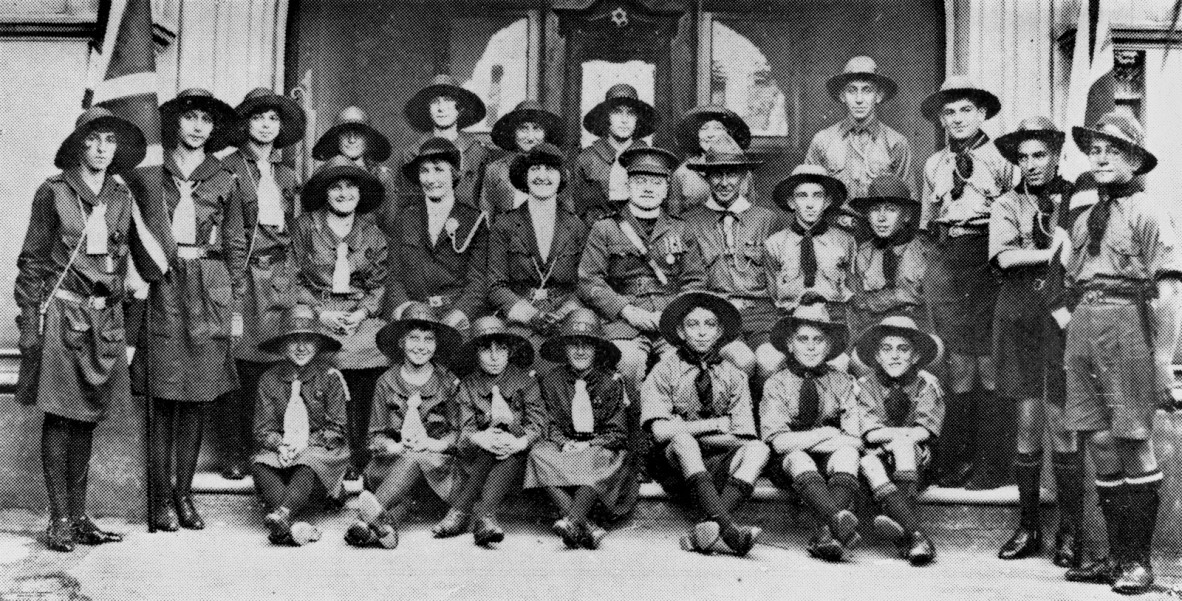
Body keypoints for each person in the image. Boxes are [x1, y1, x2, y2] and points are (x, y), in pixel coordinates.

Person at [15, 106, 149, 552]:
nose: (100, 148)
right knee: (60, 416)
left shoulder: (120, 195)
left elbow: (123, 256)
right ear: (78, 145)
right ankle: (58, 519)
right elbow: (32, 262)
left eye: (108, 141)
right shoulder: (52, 192)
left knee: (87, 418)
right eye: (92, 140)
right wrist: (30, 323)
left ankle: (78, 515)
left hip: (103, 320)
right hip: (62, 317)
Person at [1061, 113, 1181, 595]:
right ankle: (1113, 556)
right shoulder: (1087, 215)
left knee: (1132, 439)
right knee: (1100, 441)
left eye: (1113, 148)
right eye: (1095, 149)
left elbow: (1168, 291)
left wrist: (1161, 359)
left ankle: (1139, 561)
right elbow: (1068, 280)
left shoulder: (1149, 212)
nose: (1102, 156)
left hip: (1128, 324)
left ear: (1135, 158)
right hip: (1085, 325)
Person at [134, 88, 245, 531]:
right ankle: (160, 500)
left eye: (206, 119)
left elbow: (236, 243)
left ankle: (184, 495)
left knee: (196, 399)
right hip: (163, 283)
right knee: (163, 398)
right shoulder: (149, 174)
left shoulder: (225, 176)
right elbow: (132, 231)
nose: (198, 126)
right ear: (175, 123)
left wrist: (232, 300)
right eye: (189, 117)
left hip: (209, 285)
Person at [578, 146, 706, 515]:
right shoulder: (605, 228)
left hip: (671, 319)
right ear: (628, 185)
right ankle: (630, 455)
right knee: (628, 366)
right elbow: (590, 281)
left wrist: (672, 313)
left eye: (656, 182)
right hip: (624, 316)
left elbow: (695, 279)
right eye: (640, 180)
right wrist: (627, 310)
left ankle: (668, 458)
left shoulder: (682, 230)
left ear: (666, 189)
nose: (648, 188)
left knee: (681, 369)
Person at [989, 117, 1083, 565]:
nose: (1030, 164)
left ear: (1056, 154)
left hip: (1064, 316)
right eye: (1022, 156)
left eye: (1039, 154)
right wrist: (1050, 253)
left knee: (1063, 423)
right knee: (1027, 420)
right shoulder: (1008, 202)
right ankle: (1028, 528)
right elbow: (1005, 255)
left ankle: (1070, 531)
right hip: (1020, 316)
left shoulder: (1078, 197)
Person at [918, 76, 1014, 489]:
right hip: (947, 258)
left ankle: (993, 465)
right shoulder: (935, 164)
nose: (957, 119)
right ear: (941, 118)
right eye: (950, 112)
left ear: (982, 114)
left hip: (988, 260)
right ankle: (957, 461)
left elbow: (1018, 215)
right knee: (957, 364)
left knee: (989, 364)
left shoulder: (1002, 159)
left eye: (966, 111)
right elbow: (927, 222)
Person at [218, 87, 306, 480]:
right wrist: (235, 286)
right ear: (245, 123)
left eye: (273, 118)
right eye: (258, 118)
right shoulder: (229, 169)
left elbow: (295, 229)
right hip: (245, 277)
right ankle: (234, 450)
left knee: (276, 362)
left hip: (281, 277)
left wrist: (296, 277)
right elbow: (231, 234)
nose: (266, 126)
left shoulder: (287, 175)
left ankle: (266, 446)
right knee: (240, 364)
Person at [641, 292, 769, 556]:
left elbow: (743, 437)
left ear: (720, 331)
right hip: (674, 465)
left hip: (716, 462)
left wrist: (686, 426)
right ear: (680, 330)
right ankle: (731, 532)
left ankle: (707, 527)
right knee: (683, 441)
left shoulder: (734, 375)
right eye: (693, 325)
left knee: (760, 449)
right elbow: (660, 431)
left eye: (709, 325)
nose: (701, 333)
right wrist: (717, 424)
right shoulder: (665, 370)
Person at [291, 156, 390, 479]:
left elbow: (378, 284)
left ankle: (360, 448)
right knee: (326, 353)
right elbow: (292, 277)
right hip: (319, 310)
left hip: (358, 313)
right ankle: (333, 450)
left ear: (360, 194)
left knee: (377, 349)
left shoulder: (372, 233)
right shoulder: (305, 226)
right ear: (325, 192)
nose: (344, 193)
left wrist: (362, 312)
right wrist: (322, 313)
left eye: (350, 187)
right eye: (336, 187)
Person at [345, 302, 463, 549]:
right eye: (414, 338)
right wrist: (394, 447)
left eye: (428, 339)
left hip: (435, 467)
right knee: (403, 482)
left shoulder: (448, 382)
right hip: (393, 463)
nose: (421, 346)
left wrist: (432, 443)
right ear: (401, 343)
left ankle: (361, 520)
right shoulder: (385, 382)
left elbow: (458, 433)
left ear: (436, 344)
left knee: (415, 458)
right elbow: (374, 436)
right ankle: (376, 530)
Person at [760, 295, 861, 562]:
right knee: (798, 456)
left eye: (818, 341)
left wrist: (820, 440)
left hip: (828, 456)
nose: (811, 347)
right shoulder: (777, 383)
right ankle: (836, 522)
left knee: (848, 456)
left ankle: (826, 533)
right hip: (788, 463)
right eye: (803, 340)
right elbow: (778, 442)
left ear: (828, 346)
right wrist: (824, 434)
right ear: (790, 345)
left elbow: (854, 440)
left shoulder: (841, 382)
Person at [433, 316, 545, 546]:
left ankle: (464, 511)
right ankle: (485, 518)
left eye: (501, 349)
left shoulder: (526, 381)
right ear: (476, 353)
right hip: (477, 459)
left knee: (506, 442)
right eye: (486, 350)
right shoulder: (468, 385)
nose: (495, 357)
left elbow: (539, 423)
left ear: (510, 351)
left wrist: (519, 441)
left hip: (519, 460)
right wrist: (479, 437)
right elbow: (463, 430)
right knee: (492, 440)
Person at [680, 133, 785, 376]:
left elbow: (780, 277)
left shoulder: (767, 220)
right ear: (706, 176)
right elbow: (691, 282)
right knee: (742, 361)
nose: (725, 182)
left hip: (761, 315)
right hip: (719, 316)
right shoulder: (690, 222)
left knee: (770, 362)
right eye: (717, 173)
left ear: (744, 176)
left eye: (733, 173)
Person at [525, 309, 628, 549]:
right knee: (538, 454)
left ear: (596, 350)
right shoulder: (552, 380)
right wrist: (564, 442)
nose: (580, 351)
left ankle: (573, 519)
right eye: (573, 344)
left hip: (599, 446)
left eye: (587, 345)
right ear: (564, 349)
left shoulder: (611, 381)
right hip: (568, 445)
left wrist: (589, 444)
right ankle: (586, 525)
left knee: (597, 457)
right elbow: (548, 421)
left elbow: (618, 431)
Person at [251, 306, 349, 546]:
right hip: (284, 445)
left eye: (309, 340)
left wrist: (305, 444)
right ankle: (291, 524)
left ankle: (283, 514)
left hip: (319, 446)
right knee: (260, 464)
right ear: (283, 346)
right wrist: (280, 445)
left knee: (308, 461)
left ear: (318, 345)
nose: (302, 347)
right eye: (294, 340)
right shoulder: (269, 379)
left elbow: (337, 428)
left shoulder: (330, 376)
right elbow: (262, 429)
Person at [851, 315, 943, 566]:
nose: (894, 355)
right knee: (869, 462)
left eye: (903, 349)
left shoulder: (927, 384)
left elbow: (924, 430)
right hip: (878, 465)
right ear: (877, 356)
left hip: (915, 466)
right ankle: (915, 535)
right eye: (886, 349)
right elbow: (870, 432)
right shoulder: (865, 385)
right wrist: (898, 438)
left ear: (915, 356)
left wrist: (899, 440)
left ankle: (902, 525)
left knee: (904, 446)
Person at [487, 143, 589, 359]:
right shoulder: (504, 225)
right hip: (521, 316)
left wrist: (563, 314)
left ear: (561, 177)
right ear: (524, 177)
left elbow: (585, 283)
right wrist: (531, 316)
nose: (542, 176)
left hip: (565, 315)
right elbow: (496, 286)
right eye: (535, 169)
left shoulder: (577, 227)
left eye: (550, 169)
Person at [761, 165, 856, 377]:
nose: (810, 204)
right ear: (791, 202)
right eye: (802, 196)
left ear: (828, 201)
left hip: (831, 322)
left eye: (818, 196)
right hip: (792, 323)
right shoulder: (774, 244)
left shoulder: (845, 241)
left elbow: (851, 290)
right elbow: (774, 294)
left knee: (840, 365)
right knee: (768, 364)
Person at [384, 137, 488, 329]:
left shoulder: (475, 221)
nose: (431, 179)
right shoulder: (405, 218)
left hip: (456, 319)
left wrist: (459, 314)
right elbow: (394, 277)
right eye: (424, 171)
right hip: (413, 316)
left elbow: (478, 283)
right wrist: (404, 308)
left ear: (454, 174)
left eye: (439, 169)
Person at [805, 56, 913, 234]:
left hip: (878, 236)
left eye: (867, 90)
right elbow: (808, 194)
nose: (859, 99)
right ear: (842, 96)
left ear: (878, 96)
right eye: (852, 90)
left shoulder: (896, 142)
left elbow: (907, 201)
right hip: (833, 233)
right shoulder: (823, 140)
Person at [846, 174, 931, 341]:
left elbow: (931, 305)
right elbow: (860, 306)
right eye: (875, 209)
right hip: (876, 329)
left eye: (891, 209)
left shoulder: (923, 251)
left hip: (916, 330)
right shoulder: (863, 253)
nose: (882, 218)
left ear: (906, 216)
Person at [398, 74, 492, 209]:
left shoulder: (477, 152)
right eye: (435, 101)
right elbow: (404, 208)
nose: (441, 108)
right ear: (428, 109)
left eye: (448, 100)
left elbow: (485, 206)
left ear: (459, 109)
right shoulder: (412, 154)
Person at [310, 106, 400, 235]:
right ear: (337, 137)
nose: (351, 139)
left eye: (358, 133)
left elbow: (390, 228)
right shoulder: (322, 175)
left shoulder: (381, 178)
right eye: (345, 132)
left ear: (368, 138)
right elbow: (311, 226)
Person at [572, 84, 656, 220]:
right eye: (617, 112)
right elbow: (577, 210)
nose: (624, 120)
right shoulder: (587, 158)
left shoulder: (650, 157)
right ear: (606, 117)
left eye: (631, 113)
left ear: (637, 120)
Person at [481, 100, 567, 217]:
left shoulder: (560, 171)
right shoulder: (495, 170)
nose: (530, 137)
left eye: (536, 129)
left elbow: (568, 219)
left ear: (545, 133)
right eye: (524, 129)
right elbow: (486, 216)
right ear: (513, 132)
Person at [669, 104, 751, 216]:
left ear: (729, 134)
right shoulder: (683, 173)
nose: (710, 135)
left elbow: (751, 214)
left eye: (718, 128)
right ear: (696, 135)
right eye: (704, 129)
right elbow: (674, 217)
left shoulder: (744, 172)